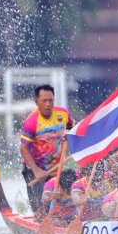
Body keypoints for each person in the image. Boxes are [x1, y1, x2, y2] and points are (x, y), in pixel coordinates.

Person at [20, 84, 74, 212]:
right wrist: (36, 170)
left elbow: (74, 130)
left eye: (51, 100)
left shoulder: (63, 114)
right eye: (44, 101)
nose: (48, 104)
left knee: (63, 204)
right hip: (34, 170)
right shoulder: (31, 122)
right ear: (37, 102)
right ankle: (40, 221)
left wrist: (69, 136)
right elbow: (23, 149)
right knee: (40, 209)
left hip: (56, 168)